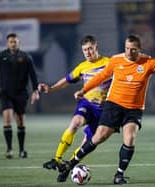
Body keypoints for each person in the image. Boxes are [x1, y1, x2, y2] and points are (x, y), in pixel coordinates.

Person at [57, 34, 155, 184]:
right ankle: (70, 164)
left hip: (134, 109)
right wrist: (84, 90)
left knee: (130, 138)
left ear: (140, 49)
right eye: (127, 48)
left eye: (133, 50)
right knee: (98, 137)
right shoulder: (116, 60)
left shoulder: (150, 62)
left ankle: (119, 175)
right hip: (113, 105)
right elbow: (100, 76)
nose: (129, 52)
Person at [39, 35, 111, 182]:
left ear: (96, 47)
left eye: (90, 49)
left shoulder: (109, 63)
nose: (88, 53)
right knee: (75, 122)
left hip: (103, 110)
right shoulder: (82, 67)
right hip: (87, 104)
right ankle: (56, 160)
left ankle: (68, 167)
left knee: (87, 143)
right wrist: (51, 89)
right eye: (85, 50)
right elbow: (66, 80)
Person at [0, 33, 40, 159]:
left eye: (15, 41)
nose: (13, 43)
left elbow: (33, 76)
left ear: (19, 42)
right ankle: (9, 149)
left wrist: (36, 91)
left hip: (21, 94)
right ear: (7, 43)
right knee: (7, 118)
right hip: (6, 93)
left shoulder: (26, 57)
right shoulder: (1, 57)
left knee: (20, 122)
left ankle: (22, 150)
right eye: (11, 42)